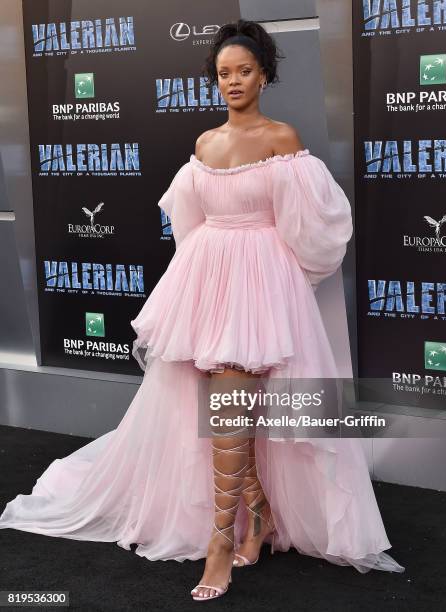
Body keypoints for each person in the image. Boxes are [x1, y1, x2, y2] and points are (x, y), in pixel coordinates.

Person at [0, 18, 404, 603]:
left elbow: (311, 231)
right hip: (208, 281)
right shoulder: (204, 145)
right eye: (222, 74)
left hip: (261, 283)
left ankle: (223, 541)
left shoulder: (282, 140)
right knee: (222, 408)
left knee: (230, 405)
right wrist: (202, 278)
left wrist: (283, 286)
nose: (232, 82)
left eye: (243, 70)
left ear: (264, 73)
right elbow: (190, 225)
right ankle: (256, 515)